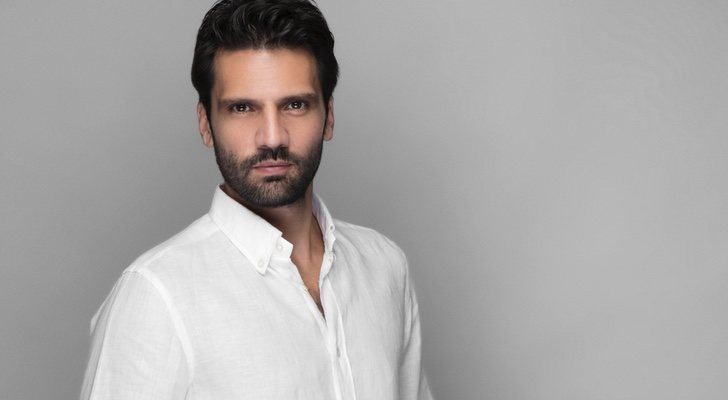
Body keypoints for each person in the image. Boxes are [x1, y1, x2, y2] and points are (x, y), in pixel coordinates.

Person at [80, 0, 432, 399]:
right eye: (242, 108)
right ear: (205, 124)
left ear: (329, 115)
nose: (272, 137)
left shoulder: (385, 267)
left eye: (295, 105)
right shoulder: (157, 295)